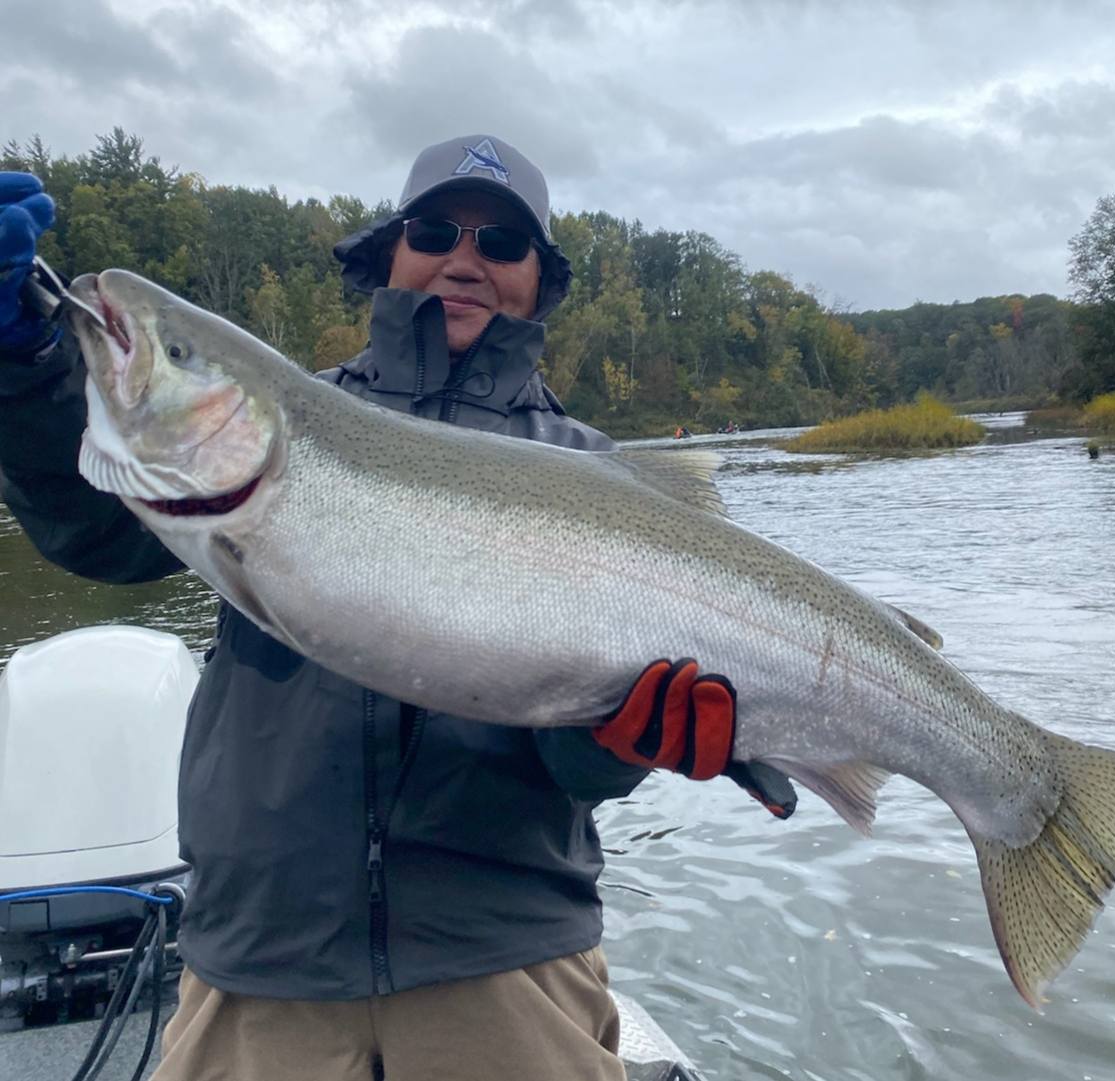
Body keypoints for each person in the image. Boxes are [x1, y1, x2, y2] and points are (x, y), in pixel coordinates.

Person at [0, 138, 794, 1081]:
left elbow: (573, 762)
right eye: (432, 230)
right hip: (259, 963)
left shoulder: (595, 469)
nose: (465, 258)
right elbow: (96, 533)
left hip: (507, 966)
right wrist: (23, 363)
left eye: (503, 240)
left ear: (539, 282)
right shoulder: (274, 435)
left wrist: (620, 743)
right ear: (390, 254)